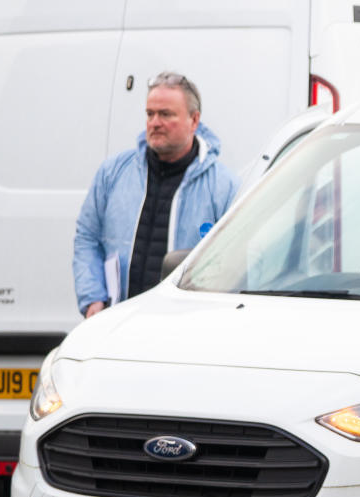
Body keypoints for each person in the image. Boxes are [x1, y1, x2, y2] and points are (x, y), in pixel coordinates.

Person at [73, 71, 238, 318]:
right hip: (117, 323)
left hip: (181, 329)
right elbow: (87, 237)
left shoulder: (222, 185)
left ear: (194, 120)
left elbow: (235, 262)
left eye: (166, 114)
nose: (155, 123)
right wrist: (93, 298)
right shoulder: (114, 172)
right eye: (150, 114)